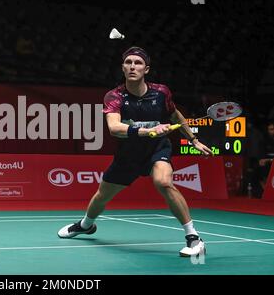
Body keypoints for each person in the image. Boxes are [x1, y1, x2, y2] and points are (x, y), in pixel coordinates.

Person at [57, 46, 213, 257]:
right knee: (102, 196)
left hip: (157, 149)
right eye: (128, 62)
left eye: (138, 63)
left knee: (164, 182)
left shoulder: (161, 93)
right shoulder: (115, 96)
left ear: (146, 69)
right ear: (123, 67)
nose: (133, 66)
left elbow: (176, 116)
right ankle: (86, 225)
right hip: (128, 155)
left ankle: (194, 239)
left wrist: (193, 140)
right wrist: (148, 130)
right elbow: (114, 128)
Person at [255, 121, 274, 194]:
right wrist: (262, 160)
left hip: (271, 160)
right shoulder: (264, 141)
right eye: (271, 129)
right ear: (268, 130)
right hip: (268, 161)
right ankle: (266, 190)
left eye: (273, 129)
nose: (273, 131)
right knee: (260, 167)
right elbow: (261, 155)